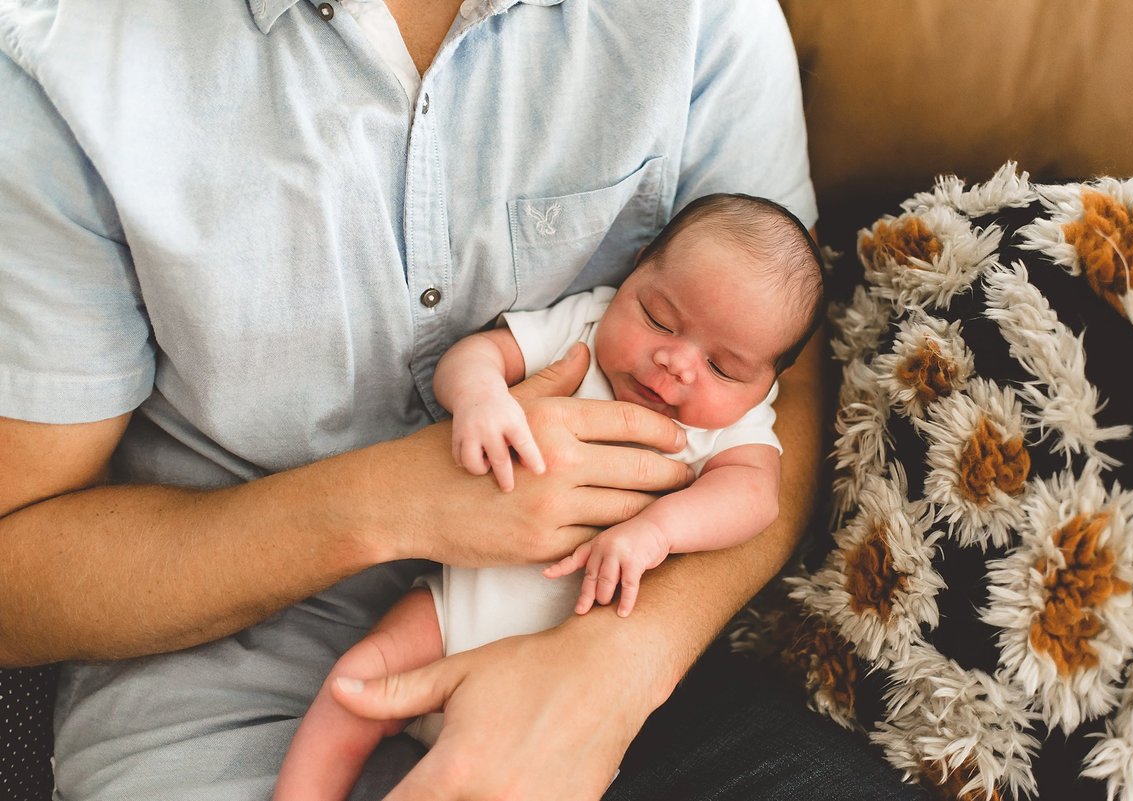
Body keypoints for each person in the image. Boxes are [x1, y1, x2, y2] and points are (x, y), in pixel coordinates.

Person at [0, 1, 927, 800]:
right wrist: (386, 507)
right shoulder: (64, 53)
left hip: (620, 642)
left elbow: (783, 383)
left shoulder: (698, 19)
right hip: (230, 710)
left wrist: (609, 674)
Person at [273, 193, 825, 800]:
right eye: (659, 320)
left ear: (766, 383)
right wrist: (482, 396)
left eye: (723, 368)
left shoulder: (732, 427)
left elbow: (755, 497)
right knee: (357, 684)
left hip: (566, 681)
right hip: (454, 613)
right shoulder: (584, 327)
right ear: (633, 272)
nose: (675, 363)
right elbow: (475, 354)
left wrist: (659, 530)